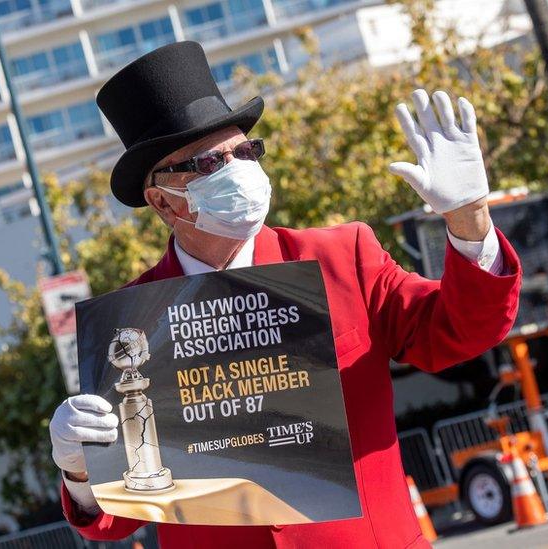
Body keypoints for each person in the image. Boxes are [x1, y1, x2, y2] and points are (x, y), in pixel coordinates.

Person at [48, 41, 520, 548]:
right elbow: (118, 516)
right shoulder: (132, 322)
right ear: (162, 201)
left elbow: (460, 330)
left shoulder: (344, 256)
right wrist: (80, 469)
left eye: (245, 152)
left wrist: (469, 220)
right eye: (207, 164)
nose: (236, 170)